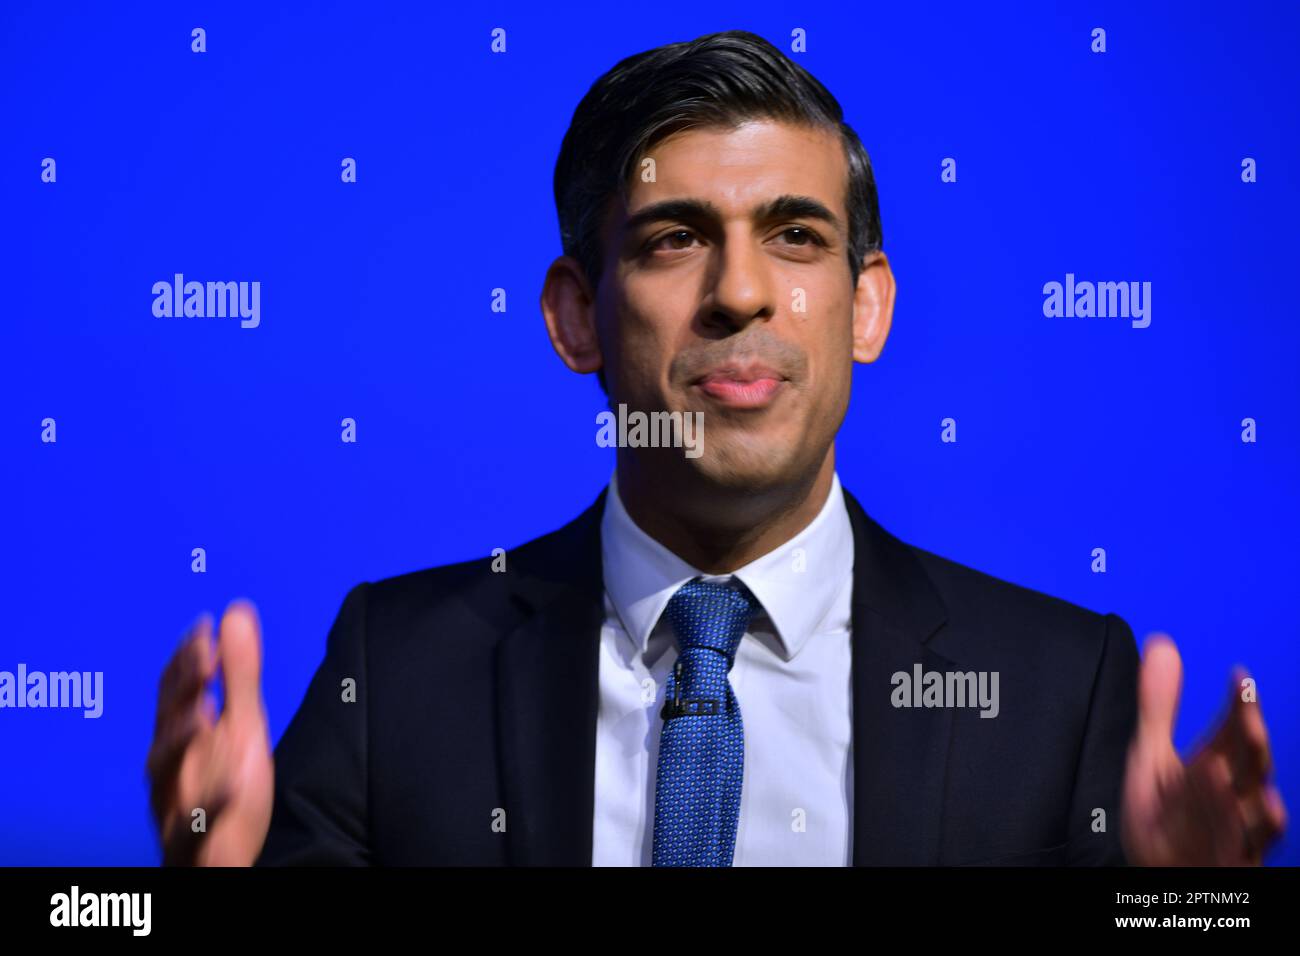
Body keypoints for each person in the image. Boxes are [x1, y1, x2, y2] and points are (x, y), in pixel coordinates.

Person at [146, 30, 1286, 867]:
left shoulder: (1061, 686)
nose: (740, 292)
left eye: (796, 236)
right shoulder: (394, 672)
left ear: (864, 308)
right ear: (576, 316)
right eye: (675, 238)